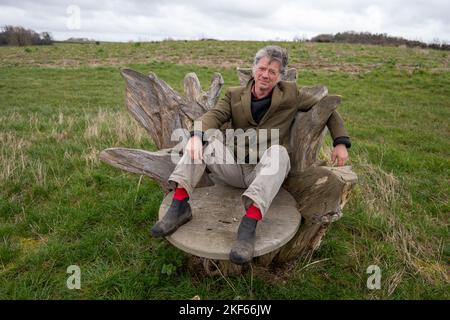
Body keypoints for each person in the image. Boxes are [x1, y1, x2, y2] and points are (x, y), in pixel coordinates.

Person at [151, 45, 351, 265]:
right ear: (254, 67)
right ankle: (180, 206)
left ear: (280, 76)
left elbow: (327, 108)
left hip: (264, 172)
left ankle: (249, 225)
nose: (265, 75)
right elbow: (214, 116)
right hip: (233, 167)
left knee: (280, 153)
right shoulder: (234, 95)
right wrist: (196, 136)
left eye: (272, 72)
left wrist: (340, 142)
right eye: (262, 68)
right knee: (204, 139)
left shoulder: (291, 95)